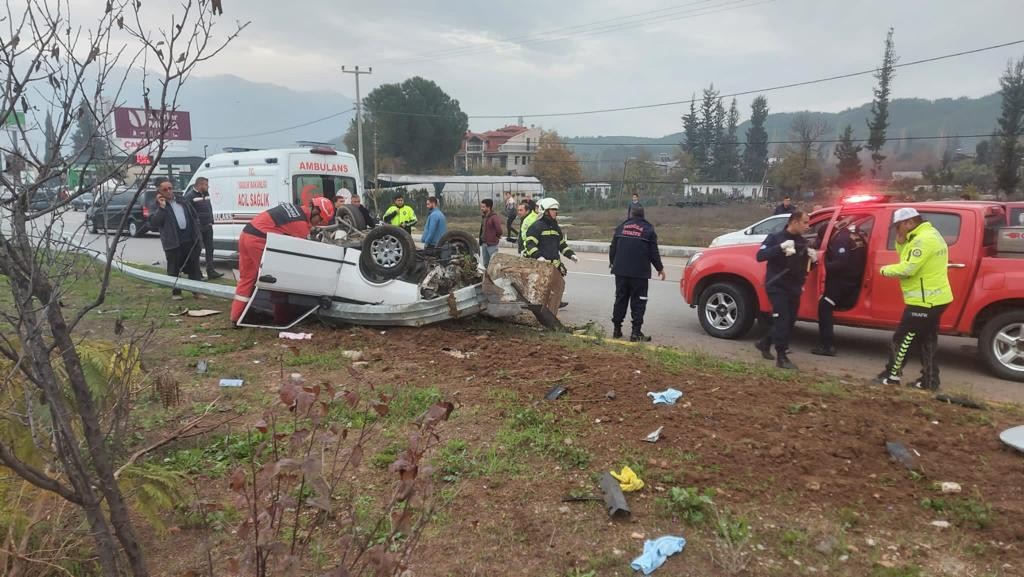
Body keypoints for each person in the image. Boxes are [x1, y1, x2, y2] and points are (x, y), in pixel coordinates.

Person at [874, 208, 953, 390]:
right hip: (936, 298)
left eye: (898, 226)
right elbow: (906, 258)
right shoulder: (929, 233)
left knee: (902, 339)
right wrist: (900, 243)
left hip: (924, 301)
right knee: (927, 339)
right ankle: (930, 381)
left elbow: (907, 268)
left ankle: (891, 376)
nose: (897, 231)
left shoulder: (921, 240)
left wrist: (883, 270)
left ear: (909, 223)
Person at [230, 197, 335, 323]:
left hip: (247, 234)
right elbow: (307, 250)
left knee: (247, 278)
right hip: (259, 240)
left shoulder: (295, 210)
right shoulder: (300, 223)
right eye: (321, 220)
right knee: (276, 278)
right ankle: (281, 318)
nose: (319, 223)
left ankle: (236, 317)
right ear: (316, 211)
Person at [754, 210, 815, 370]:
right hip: (777, 285)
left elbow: (803, 267)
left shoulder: (802, 241)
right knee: (782, 320)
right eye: (804, 222)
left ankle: (764, 343)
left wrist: (813, 260)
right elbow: (760, 256)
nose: (807, 226)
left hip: (793, 287)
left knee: (789, 321)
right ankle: (782, 357)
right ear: (794, 222)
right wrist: (780, 247)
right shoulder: (775, 238)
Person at [811, 221, 868, 356]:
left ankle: (827, 346)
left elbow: (839, 264)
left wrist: (820, 264)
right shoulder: (851, 235)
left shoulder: (839, 240)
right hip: (854, 279)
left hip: (843, 281)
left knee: (824, 307)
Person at [610, 206, 666, 342]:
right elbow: (654, 252)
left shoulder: (621, 227)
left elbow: (613, 247)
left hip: (621, 271)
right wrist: (660, 268)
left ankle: (617, 330)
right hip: (639, 274)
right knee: (639, 301)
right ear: (643, 215)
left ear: (631, 214)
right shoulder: (648, 230)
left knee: (620, 299)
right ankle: (635, 333)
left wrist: (612, 262)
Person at [149, 178, 203, 300]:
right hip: (173, 241)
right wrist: (162, 207)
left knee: (194, 267)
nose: (168, 191)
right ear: (159, 191)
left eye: (170, 188)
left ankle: (197, 291)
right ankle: (177, 292)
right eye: (165, 189)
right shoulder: (156, 205)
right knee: (174, 268)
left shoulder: (182, 200)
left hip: (189, 239)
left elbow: (193, 216)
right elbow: (154, 222)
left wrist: (197, 233)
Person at [524, 197, 578, 276]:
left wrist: (571, 255)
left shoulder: (555, 227)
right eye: (552, 210)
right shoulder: (536, 226)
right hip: (540, 268)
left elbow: (562, 245)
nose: (555, 212)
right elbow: (530, 244)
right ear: (545, 211)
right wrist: (538, 257)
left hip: (554, 268)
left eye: (556, 210)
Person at [184, 176, 222, 280]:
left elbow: (209, 209)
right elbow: (189, 214)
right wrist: (196, 226)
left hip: (208, 226)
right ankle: (197, 272)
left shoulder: (206, 194)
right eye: (206, 185)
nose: (208, 187)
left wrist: (211, 221)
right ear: (200, 185)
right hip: (198, 228)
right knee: (197, 250)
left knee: (210, 248)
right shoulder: (190, 196)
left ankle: (211, 271)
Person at [478, 198, 503, 267]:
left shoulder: (494, 217)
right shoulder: (484, 217)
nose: (481, 208)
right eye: (481, 206)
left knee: (493, 265)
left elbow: (499, 230)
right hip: (484, 244)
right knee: (485, 264)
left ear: (488, 207)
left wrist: (494, 237)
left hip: (492, 245)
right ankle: (486, 277)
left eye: (483, 207)